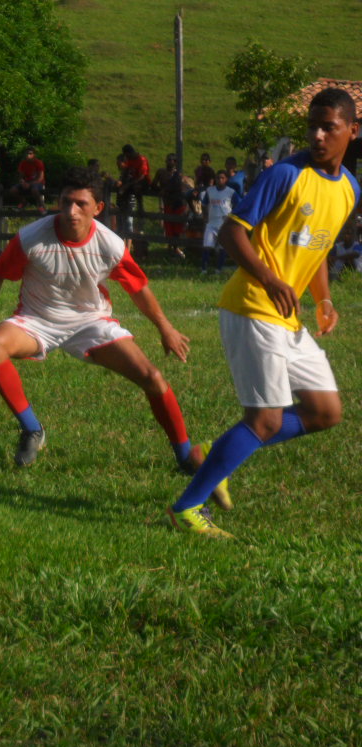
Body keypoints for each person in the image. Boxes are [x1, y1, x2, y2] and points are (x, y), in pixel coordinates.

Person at [0, 166, 231, 509]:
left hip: (92, 323)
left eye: (80, 204)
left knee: (153, 378)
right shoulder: (32, 237)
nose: (70, 211)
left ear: (97, 208)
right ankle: (33, 430)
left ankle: (185, 456)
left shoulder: (108, 243)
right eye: (65, 202)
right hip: (38, 321)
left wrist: (165, 328)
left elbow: (138, 288)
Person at [167, 87, 360, 538]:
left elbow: (317, 250)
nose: (316, 135)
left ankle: (222, 451)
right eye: (311, 126)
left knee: (326, 412)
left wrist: (323, 299)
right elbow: (235, 233)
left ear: (352, 130)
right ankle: (187, 507)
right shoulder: (286, 174)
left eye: (328, 127)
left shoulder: (350, 188)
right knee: (266, 419)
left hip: (286, 317)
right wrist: (271, 279)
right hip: (252, 306)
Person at [199, 169, 240, 274]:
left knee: (223, 248)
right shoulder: (210, 191)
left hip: (224, 224)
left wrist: (232, 217)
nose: (219, 180)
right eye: (218, 178)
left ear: (226, 179)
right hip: (212, 223)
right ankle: (203, 269)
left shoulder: (230, 192)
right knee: (207, 246)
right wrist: (205, 216)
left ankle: (218, 269)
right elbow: (204, 204)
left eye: (222, 178)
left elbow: (239, 205)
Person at [152, 153, 193, 259]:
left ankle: (175, 248)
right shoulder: (161, 173)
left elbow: (184, 189)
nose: (169, 162)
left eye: (172, 160)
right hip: (167, 203)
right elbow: (153, 184)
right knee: (168, 228)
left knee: (177, 229)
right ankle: (171, 249)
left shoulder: (179, 176)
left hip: (177, 204)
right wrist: (160, 191)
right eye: (168, 159)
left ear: (175, 162)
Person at [117, 144, 150, 223]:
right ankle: (122, 207)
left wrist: (127, 185)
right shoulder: (130, 160)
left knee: (136, 187)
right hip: (133, 180)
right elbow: (126, 170)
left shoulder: (141, 160)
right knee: (121, 188)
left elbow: (142, 176)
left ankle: (140, 206)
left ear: (129, 153)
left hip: (143, 181)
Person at [12, 146, 47, 214]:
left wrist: (29, 184)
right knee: (13, 190)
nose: (28, 155)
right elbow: (20, 176)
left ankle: (41, 206)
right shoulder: (23, 163)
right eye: (27, 153)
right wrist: (22, 182)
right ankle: (23, 203)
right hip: (27, 182)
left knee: (34, 190)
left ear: (34, 155)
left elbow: (40, 178)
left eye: (30, 153)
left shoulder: (38, 163)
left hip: (38, 183)